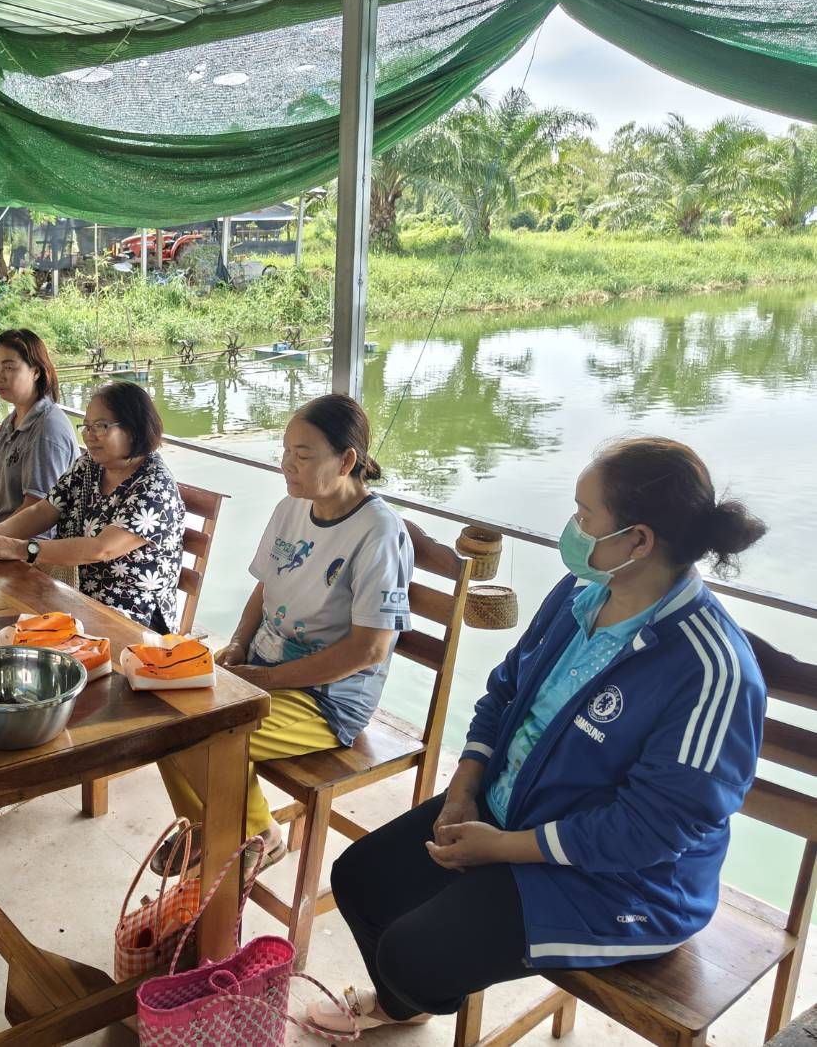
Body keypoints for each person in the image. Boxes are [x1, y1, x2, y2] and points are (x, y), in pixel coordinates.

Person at [309, 437, 766, 1035]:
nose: (571, 529)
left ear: (638, 540)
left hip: (625, 882)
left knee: (410, 954)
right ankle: (408, 998)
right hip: (510, 813)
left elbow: (652, 831)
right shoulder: (581, 594)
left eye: (583, 514)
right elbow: (504, 691)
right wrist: (464, 791)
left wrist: (499, 849)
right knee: (360, 880)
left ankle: (406, 992)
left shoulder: (711, 672)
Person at [153, 395, 412, 876]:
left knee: (203, 739)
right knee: (163, 719)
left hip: (327, 698)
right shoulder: (292, 507)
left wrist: (265, 681)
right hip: (264, 669)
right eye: (286, 450)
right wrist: (236, 645)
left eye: (304, 454)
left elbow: (369, 648)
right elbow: (265, 589)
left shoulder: (379, 532)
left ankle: (259, 836)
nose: (287, 464)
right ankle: (208, 831)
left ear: (347, 459)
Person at [0, 380, 185, 632]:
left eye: (101, 426)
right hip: (74, 595)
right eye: (87, 426)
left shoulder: (155, 487)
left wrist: (19, 549)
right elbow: (44, 510)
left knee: (6, 627)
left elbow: (101, 549)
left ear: (134, 429)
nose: (89, 436)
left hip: (131, 617)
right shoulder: (90, 466)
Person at [0, 329, 78, 534]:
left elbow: (35, 508)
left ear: (36, 371)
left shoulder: (47, 428)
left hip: (28, 549)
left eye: (9, 367)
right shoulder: (10, 421)